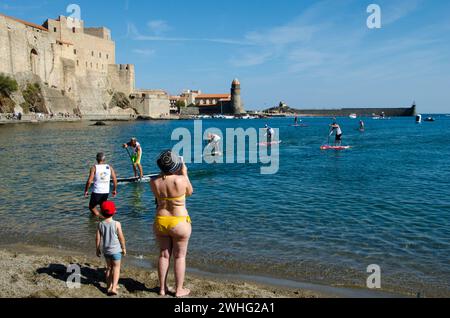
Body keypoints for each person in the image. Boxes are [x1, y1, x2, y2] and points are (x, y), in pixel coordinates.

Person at [150, 150, 193, 297]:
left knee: (163, 255)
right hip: (179, 221)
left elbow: (158, 195)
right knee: (179, 257)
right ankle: (179, 289)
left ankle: (162, 289)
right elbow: (189, 192)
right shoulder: (181, 179)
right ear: (175, 165)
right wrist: (184, 173)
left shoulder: (153, 180)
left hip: (161, 220)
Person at [96, 201, 126, 296]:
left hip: (106, 251)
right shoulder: (117, 224)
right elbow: (121, 237)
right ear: (114, 211)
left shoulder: (100, 224)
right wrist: (124, 248)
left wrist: (97, 248)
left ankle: (108, 286)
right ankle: (114, 287)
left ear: (101, 212)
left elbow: (97, 238)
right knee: (116, 268)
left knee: (109, 268)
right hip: (116, 251)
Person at [84, 153, 118, 218]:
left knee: (92, 207)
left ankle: (101, 217)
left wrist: (86, 190)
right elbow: (115, 179)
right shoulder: (109, 167)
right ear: (104, 159)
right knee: (102, 206)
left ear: (96, 159)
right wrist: (114, 190)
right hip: (106, 192)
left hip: (97, 191)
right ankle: (105, 220)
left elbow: (89, 181)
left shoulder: (94, 167)